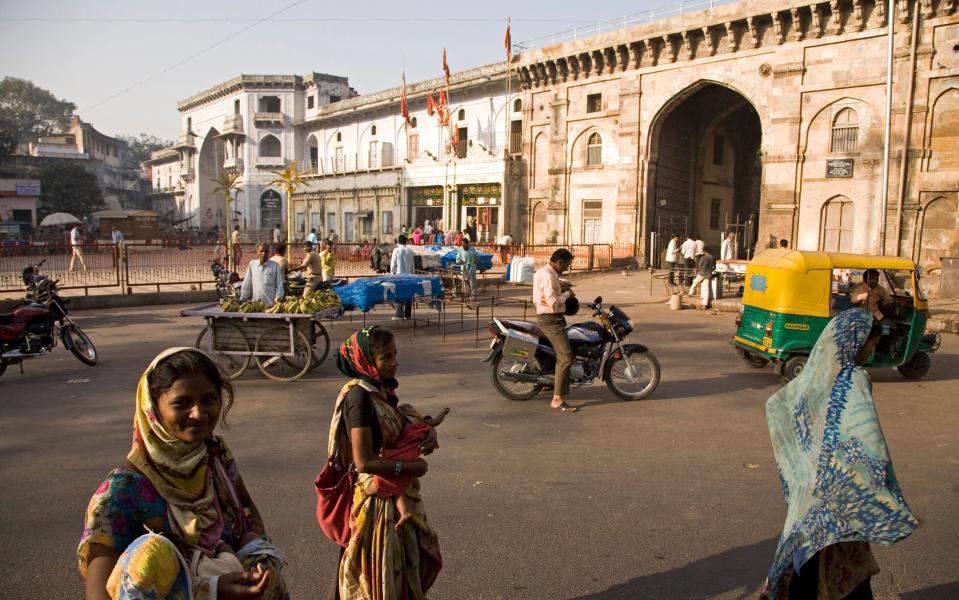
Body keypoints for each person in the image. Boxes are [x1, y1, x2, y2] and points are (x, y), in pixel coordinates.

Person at [78, 348, 290, 600]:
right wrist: (207, 590)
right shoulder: (120, 493)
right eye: (182, 403)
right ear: (153, 408)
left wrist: (252, 548)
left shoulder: (215, 456)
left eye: (209, 400)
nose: (199, 414)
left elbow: (247, 511)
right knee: (152, 553)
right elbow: (100, 593)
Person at [761, 309, 917, 599]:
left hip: (806, 505)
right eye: (869, 344)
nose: (871, 351)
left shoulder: (809, 379)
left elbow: (779, 409)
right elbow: (867, 445)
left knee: (810, 574)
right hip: (840, 504)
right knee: (841, 582)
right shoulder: (852, 378)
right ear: (856, 343)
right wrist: (884, 500)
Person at [326, 327, 443, 599]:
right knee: (375, 575)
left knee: (400, 569)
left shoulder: (381, 388)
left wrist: (427, 430)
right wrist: (410, 469)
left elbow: (399, 428)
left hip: (394, 494)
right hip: (375, 499)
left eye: (395, 354)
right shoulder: (359, 398)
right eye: (386, 357)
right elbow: (364, 460)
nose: (394, 362)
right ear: (366, 361)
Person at [533, 248, 578, 413]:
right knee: (566, 357)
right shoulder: (548, 275)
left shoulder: (545, 272)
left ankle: (549, 382)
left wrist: (562, 285)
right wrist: (566, 294)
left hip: (550, 319)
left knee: (558, 353)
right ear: (560, 262)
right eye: (566, 265)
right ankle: (557, 399)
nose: (566, 268)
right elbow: (552, 301)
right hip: (551, 320)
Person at [240, 243, 284, 307]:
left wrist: (279, 298)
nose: (264, 253)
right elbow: (247, 284)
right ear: (257, 252)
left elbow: (279, 284)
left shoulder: (275, 265)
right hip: (256, 305)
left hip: (270, 305)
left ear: (269, 252)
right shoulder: (252, 264)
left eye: (266, 251)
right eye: (261, 251)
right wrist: (242, 298)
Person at [390, 235, 414, 320]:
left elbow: (393, 265)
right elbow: (412, 265)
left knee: (399, 294)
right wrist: (412, 275)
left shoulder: (396, 250)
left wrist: (391, 274)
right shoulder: (410, 251)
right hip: (409, 276)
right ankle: (408, 315)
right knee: (408, 294)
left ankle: (399, 315)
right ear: (406, 241)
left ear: (398, 241)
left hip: (398, 276)